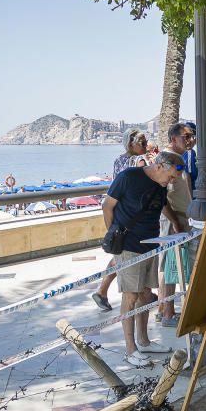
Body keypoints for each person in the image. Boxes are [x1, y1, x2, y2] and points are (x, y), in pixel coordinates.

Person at [102, 151, 183, 366]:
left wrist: (175, 222)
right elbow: (107, 205)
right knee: (131, 296)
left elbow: (162, 204)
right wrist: (113, 235)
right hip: (128, 246)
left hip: (151, 245)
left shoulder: (160, 185)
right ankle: (131, 349)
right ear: (159, 167)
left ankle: (144, 341)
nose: (172, 182)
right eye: (172, 176)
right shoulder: (129, 177)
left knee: (146, 294)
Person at [92, 129, 148, 312]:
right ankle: (103, 290)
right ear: (132, 144)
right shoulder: (139, 162)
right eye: (142, 142)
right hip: (134, 215)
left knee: (122, 251)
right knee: (126, 253)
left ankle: (104, 290)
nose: (146, 145)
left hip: (119, 212)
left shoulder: (118, 160)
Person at [158, 123, 193, 327]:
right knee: (170, 266)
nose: (189, 140)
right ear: (173, 138)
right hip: (174, 220)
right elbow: (162, 197)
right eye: (185, 136)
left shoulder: (180, 159)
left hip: (182, 218)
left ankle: (165, 309)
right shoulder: (166, 159)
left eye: (191, 136)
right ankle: (168, 313)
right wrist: (173, 221)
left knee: (175, 264)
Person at [182, 121, 198, 192]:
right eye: (188, 136)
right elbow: (187, 177)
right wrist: (190, 200)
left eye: (194, 137)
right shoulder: (190, 152)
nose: (191, 140)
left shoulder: (190, 152)